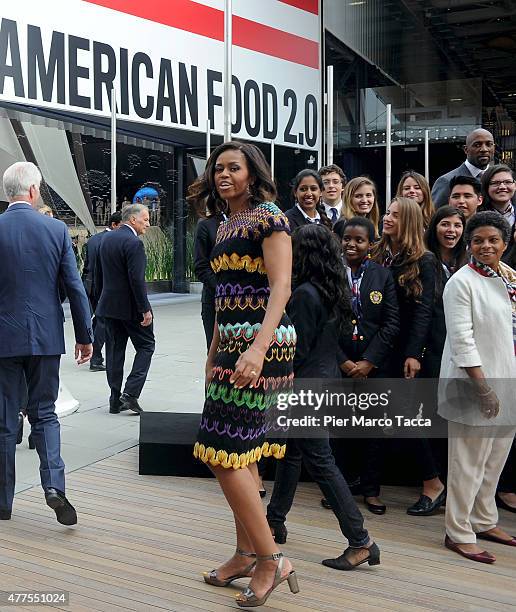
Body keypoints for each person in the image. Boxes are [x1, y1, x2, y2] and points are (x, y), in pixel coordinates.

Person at [188, 141, 298, 608]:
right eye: (218, 169)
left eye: (234, 168)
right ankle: (245, 553)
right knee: (242, 454)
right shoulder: (224, 224)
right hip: (232, 344)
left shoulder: (269, 216)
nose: (223, 175)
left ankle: (272, 559)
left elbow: (281, 287)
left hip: (261, 344)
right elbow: (223, 296)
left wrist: (257, 347)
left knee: (223, 453)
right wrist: (214, 350)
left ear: (253, 173)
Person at [266, 223, 381, 571]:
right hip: (325, 381)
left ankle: (361, 542)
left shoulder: (303, 294)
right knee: (292, 453)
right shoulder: (333, 290)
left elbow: (295, 351)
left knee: (320, 461)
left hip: (306, 387)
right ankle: (274, 519)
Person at [0, 162, 93, 525]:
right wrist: (85, 336)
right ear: (34, 191)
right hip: (45, 336)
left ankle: (3, 502)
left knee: (5, 421)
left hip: (3, 338)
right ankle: (54, 486)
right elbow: (74, 287)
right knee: (45, 413)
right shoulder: (55, 229)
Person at [439, 211, 516, 563]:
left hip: (508, 380)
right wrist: (484, 390)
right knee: (467, 462)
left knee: (495, 457)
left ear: (505, 243)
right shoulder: (461, 281)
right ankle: (458, 532)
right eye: (479, 240)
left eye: (493, 240)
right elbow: (462, 341)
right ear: (469, 244)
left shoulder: (507, 277)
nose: (486, 246)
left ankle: (484, 520)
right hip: (474, 385)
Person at [323, 217, 399, 513]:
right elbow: (324, 322)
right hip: (339, 364)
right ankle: (338, 490)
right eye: (347, 239)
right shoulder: (329, 275)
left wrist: (369, 361)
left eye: (360, 240)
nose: (352, 245)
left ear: (371, 244)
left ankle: (371, 490)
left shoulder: (382, 276)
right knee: (339, 430)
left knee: (373, 430)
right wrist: (343, 361)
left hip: (373, 367)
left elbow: (391, 322)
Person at [368, 197, 436, 513]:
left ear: (407, 220)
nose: (387, 218)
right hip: (380, 348)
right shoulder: (379, 254)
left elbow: (424, 313)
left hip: (405, 353)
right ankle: (370, 484)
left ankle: (432, 483)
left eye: (395, 214)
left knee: (407, 417)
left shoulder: (424, 260)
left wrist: (414, 354)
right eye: (388, 213)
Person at [402, 206, 467, 517]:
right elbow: (424, 310)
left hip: (465, 356)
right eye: (445, 224)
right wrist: (413, 353)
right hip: (434, 355)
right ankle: (432, 484)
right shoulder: (429, 261)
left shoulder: (467, 262)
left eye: (457, 225)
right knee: (417, 420)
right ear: (434, 227)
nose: (451, 230)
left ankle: (449, 487)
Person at [94, 204, 155, 415]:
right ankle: (130, 394)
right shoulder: (133, 243)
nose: (148, 224)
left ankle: (114, 399)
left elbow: (99, 275)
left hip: (109, 307)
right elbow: (136, 280)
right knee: (147, 346)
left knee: (113, 352)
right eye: (145, 219)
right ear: (132, 220)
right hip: (130, 308)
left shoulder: (106, 239)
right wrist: (145, 309)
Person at [82, 212, 122, 371]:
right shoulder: (110, 240)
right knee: (102, 322)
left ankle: (87, 348)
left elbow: (87, 264)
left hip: (89, 283)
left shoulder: (93, 239)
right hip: (103, 285)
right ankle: (96, 358)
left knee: (91, 320)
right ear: (114, 225)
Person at [431, 128, 495, 207]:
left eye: (489, 144)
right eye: (477, 145)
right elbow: (436, 215)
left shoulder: (501, 181)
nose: (484, 149)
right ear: (466, 149)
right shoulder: (446, 181)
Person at [194, 208, 227, 350]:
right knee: (216, 355)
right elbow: (201, 267)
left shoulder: (254, 219)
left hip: (251, 302)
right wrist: (226, 290)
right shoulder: (207, 225)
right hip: (214, 300)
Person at [480, 164, 516, 252]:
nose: (502, 187)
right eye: (495, 183)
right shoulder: (478, 217)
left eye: (508, 182)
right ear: (486, 187)